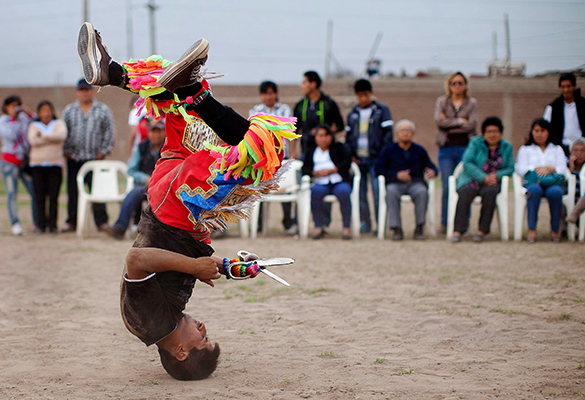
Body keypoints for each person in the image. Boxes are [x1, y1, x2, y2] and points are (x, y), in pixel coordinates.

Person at [77, 22, 297, 380]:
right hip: (167, 195)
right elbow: (173, 266)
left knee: (266, 155)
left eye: (202, 340)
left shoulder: (148, 324)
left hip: (176, 210)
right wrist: (228, 267)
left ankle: (196, 93)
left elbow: (137, 258)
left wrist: (196, 267)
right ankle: (112, 72)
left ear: (181, 352)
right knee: (174, 102)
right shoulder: (165, 318)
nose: (204, 329)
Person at [61, 78, 116, 233]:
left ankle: (101, 223)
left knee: (97, 192)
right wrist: (65, 150)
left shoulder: (103, 110)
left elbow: (110, 132)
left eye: (87, 90)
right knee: (73, 192)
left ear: (92, 91)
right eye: (82, 90)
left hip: (95, 159)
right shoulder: (69, 111)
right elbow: (63, 132)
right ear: (78, 92)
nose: (85, 93)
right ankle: (72, 222)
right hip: (74, 158)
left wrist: (104, 151)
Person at [451, 117, 514, 243]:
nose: (492, 135)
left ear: (500, 133)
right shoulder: (475, 142)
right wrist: (483, 177)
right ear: (483, 133)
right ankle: (458, 230)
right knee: (464, 192)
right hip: (472, 179)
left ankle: (482, 231)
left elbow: (510, 168)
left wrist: (496, 175)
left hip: (492, 182)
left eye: (495, 131)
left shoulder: (506, 146)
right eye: (488, 131)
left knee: (490, 193)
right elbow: (467, 163)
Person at [375, 119, 437, 241]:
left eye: (408, 130)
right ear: (396, 133)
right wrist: (396, 175)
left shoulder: (419, 150)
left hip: (415, 183)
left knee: (422, 192)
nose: (405, 133)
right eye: (402, 130)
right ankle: (396, 228)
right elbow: (378, 169)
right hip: (395, 183)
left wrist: (433, 171)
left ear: (413, 133)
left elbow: (432, 166)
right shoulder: (388, 150)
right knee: (391, 192)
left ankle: (419, 227)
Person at [103, 120, 165, 239]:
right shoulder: (141, 148)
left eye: (159, 131)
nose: (156, 135)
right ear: (148, 133)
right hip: (145, 185)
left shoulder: (169, 148)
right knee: (133, 193)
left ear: (164, 133)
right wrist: (145, 178)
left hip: (163, 186)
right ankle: (120, 228)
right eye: (153, 131)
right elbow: (131, 170)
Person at [345, 78, 393, 234]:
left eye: (365, 94)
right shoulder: (352, 113)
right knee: (360, 193)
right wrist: (350, 154)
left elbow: (388, 135)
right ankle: (365, 222)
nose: (363, 98)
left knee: (378, 192)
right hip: (358, 159)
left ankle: (381, 224)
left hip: (376, 159)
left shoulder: (381, 110)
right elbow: (349, 137)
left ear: (371, 94)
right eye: (359, 95)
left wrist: (383, 155)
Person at [434, 71, 478, 233]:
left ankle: (463, 224)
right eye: (454, 83)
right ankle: (445, 223)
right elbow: (439, 122)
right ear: (449, 85)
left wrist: (449, 121)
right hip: (446, 149)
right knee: (447, 187)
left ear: (465, 85)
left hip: (466, 150)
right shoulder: (442, 101)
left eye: (460, 83)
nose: (457, 86)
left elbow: (472, 124)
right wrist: (460, 121)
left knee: (466, 186)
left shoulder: (471, 103)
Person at [249, 81, 295, 234]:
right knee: (261, 190)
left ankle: (288, 222)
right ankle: (260, 224)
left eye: (271, 93)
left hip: (282, 156)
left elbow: (288, 133)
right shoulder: (255, 111)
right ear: (262, 95)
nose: (269, 96)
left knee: (285, 189)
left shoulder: (285, 109)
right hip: (263, 159)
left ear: (276, 93)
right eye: (266, 93)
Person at [516, 118, 567, 243]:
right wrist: (536, 168)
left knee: (555, 193)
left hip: (552, 183)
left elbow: (563, 169)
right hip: (534, 183)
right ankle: (532, 229)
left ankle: (555, 229)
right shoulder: (525, 149)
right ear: (531, 132)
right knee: (533, 191)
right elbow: (520, 168)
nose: (539, 134)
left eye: (542, 131)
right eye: (536, 130)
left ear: (548, 132)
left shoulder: (556, 149)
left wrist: (551, 168)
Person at [301, 124, 352, 240]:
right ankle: (318, 226)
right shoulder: (312, 151)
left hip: (337, 180)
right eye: (320, 136)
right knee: (315, 192)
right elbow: (305, 169)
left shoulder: (339, 148)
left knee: (344, 192)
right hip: (320, 181)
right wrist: (315, 172)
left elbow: (347, 162)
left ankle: (346, 227)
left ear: (331, 136)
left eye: (326, 135)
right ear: (316, 137)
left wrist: (334, 169)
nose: (323, 138)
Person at [27, 101, 67, 234]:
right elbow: (33, 141)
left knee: (54, 197)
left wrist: (43, 136)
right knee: (39, 197)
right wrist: (51, 139)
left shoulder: (58, 124)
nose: (46, 113)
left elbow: (61, 136)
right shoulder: (34, 125)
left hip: (55, 165)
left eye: (48, 110)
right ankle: (40, 224)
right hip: (37, 166)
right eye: (43, 111)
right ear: (39, 113)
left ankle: (53, 224)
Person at [0, 95, 38, 235]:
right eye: (12, 106)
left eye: (17, 106)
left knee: (34, 191)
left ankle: (36, 222)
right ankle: (15, 223)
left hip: (24, 161)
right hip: (10, 162)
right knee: (12, 193)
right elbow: (9, 135)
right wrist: (12, 118)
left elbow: (37, 123)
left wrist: (27, 113)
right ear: (6, 107)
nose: (14, 109)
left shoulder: (24, 118)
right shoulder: (3, 121)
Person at [293, 71, 344, 159]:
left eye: (304, 82)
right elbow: (294, 130)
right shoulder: (300, 105)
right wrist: (293, 152)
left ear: (313, 84)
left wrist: (322, 133)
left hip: (327, 152)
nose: (301, 86)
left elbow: (340, 125)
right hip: (306, 150)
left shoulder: (328, 103)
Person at [543, 73, 585, 155]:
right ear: (559, 88)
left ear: (574, 86)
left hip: (582, 147)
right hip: (560, 149)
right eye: (563, 87)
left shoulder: (583, 104)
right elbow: (545, 129)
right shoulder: (552, 107)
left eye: (568, 86)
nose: (566, 90)